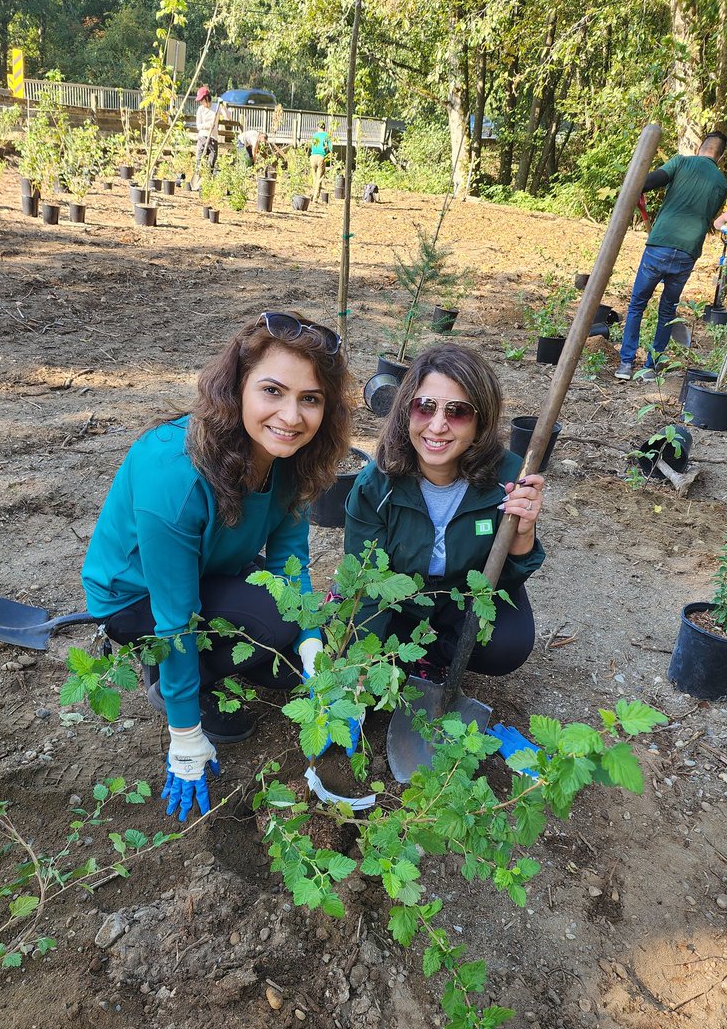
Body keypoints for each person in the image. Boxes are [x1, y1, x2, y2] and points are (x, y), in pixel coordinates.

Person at [82, 313, 352, 822]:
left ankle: (224, 661)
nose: (292, 416)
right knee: (273, 624)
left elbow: (290, 562)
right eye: (273, 390)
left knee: (287, 662)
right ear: (237, 387)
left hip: (212, 568)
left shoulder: (288, 457)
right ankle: (169, 683)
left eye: (311, 399)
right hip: (137, 597)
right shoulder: (175, 475)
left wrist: (314, 655)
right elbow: (175, 618)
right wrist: (185, 738)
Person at [345, 344, 545, 679]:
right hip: (399, 604)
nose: (437, 426)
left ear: (480, 421)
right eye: (424, 407)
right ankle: (410, 656)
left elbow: (505, 582)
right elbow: (365, 583)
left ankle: (430, 659)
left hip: (463, 600)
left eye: (458, 412)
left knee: (506, 643)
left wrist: (523, 536)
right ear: (406, 412)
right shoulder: (376, 486)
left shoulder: (508, 480)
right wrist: (361, 665)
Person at [615, 132, 727, 382]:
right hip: (688, 252)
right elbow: (708, 214)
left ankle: (625, 364)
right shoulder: (722, 182)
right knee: (667, 311)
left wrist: (640, 191)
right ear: (721, 156)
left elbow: (645, 181)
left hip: (660, 244)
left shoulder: (680, 162)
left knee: (637, 305)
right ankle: (651, 368)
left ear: (700, 147)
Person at [194, 86, 220, 175]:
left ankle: (207, 181)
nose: (201, 102)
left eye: (202, 100)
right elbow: (198, 126)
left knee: (211, 162)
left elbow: (229, 116)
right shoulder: (200, 109)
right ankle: (198, 177)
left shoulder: (217, 107)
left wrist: (223, 105)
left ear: (207, 98)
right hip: (203, 137)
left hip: (213, 138)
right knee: (199, 160)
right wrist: (208, 126)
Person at [310, 121, 332, 202]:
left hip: (312, 157)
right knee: (319, 178)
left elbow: (312, 146)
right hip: (321, 157)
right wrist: (328, 153)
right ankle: (315, 198)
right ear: (324, 128)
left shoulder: (314, 135)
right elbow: (330, 148)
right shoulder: (326, 135)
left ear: (318, 128)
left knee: (314, 178)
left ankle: (312, 194)